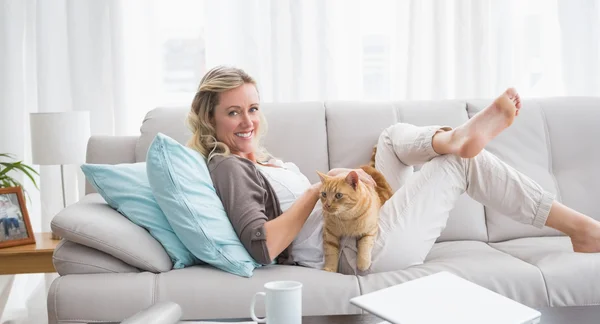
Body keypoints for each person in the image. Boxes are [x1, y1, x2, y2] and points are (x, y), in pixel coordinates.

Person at [186, 65, 600, 274]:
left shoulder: (265, 160)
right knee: (459, 164)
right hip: (358, 252)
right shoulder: (228, 167)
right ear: (211, 119)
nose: (247, 122)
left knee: (390, 138)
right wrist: (319, 191)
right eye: (233, 113)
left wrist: (351, 181)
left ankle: (451, 137)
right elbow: (264, 246)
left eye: (253, 109)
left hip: (365, 218)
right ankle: (584, 230)